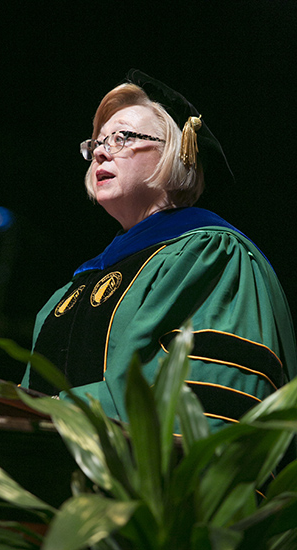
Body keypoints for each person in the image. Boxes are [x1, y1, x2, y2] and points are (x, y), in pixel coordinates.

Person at [21, 69, 297, 433]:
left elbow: (204, 398)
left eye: (121, 137)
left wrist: (55, 412)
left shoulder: (213, 254)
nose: (101, 152)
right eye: (97, 142)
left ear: (175, 152)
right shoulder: (76, 287)